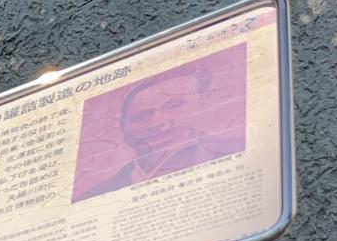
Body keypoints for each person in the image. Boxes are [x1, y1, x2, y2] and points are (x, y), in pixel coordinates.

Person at [84, 64, 235, 198]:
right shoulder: (93, 197)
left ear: (204, 101)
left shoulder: (238, 152)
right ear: (123, 126)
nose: (157, 123)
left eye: (174, 106)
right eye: (140, 117)